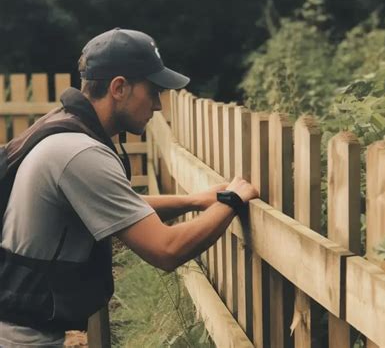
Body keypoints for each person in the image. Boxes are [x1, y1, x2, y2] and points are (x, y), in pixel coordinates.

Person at [0, 28, 259, 347]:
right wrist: (232, 201)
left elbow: (117, 205)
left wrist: (192, 201)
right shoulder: (81, 154)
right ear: (119, 88)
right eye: (153, 91)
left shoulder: (65, 128)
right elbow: (166, 250)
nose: (158, 106)